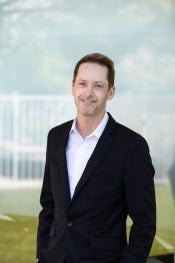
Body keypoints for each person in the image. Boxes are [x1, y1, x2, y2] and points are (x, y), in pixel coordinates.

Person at [37, 53, 156, 263]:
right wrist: (42, 254)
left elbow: (144, 223)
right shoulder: (55, 137)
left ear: (111, 92)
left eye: (98, 86)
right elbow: (49, 205)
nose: (88, 93)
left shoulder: (132, 146)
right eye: (82, 83)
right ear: (72, 87)